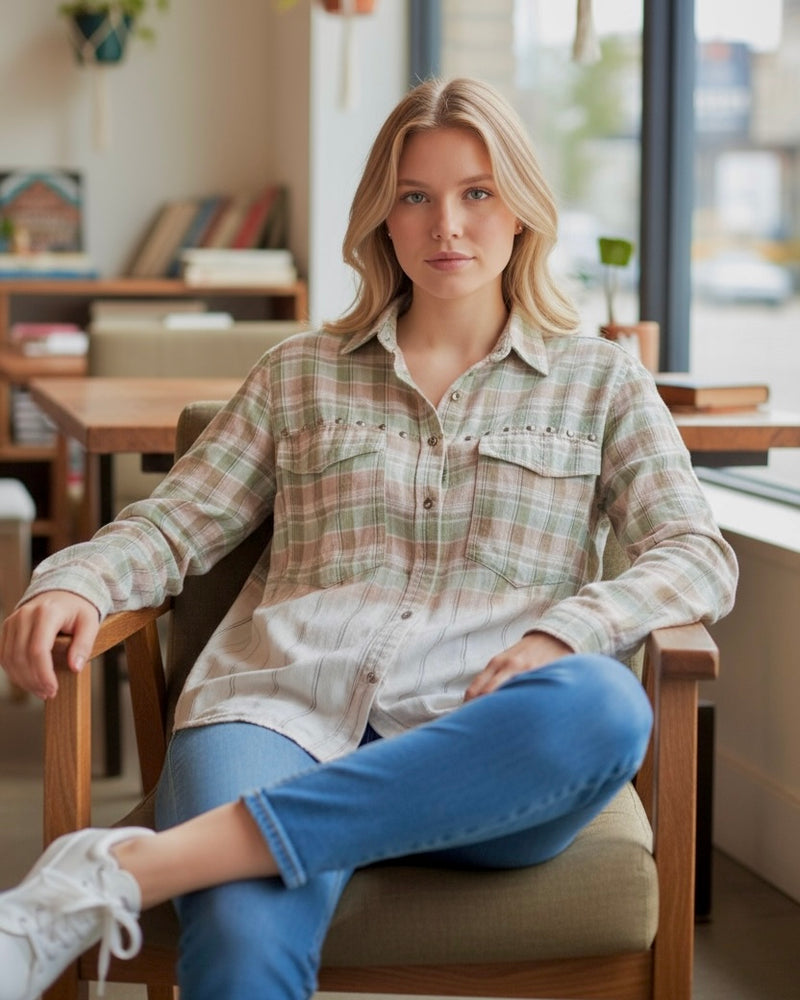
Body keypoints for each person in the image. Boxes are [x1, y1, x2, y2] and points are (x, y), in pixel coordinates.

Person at [0, 76, 737, 1000]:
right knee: (237, 934)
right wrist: (75, 580)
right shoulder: (299, 373)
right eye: (415, 197)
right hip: (274, 714)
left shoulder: (600, 383)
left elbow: (697, 552)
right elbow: (170, 522)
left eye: (477, 193)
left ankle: (129, 871)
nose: (447, 228)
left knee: (603, 708)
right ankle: (210, 855)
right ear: (382, 219)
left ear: (522, 210)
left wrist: (563, 633)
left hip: (479, 746)